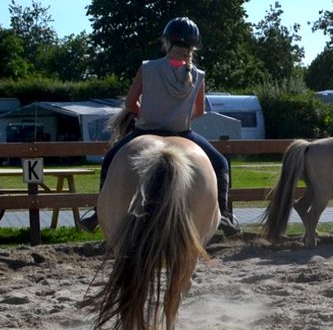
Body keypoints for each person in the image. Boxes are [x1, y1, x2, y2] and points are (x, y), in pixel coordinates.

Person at [79, 18, 240, 236]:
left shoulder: (148, 68)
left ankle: (98, 213)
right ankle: (224, 216)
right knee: (220, 164)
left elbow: (129, 104)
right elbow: (199, 112)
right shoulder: (199, 75)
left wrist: (145, 112)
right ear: (193, 47)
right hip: (183, 133)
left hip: (145, 130)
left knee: (110, 159)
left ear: (166, 42)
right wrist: (179, 116)